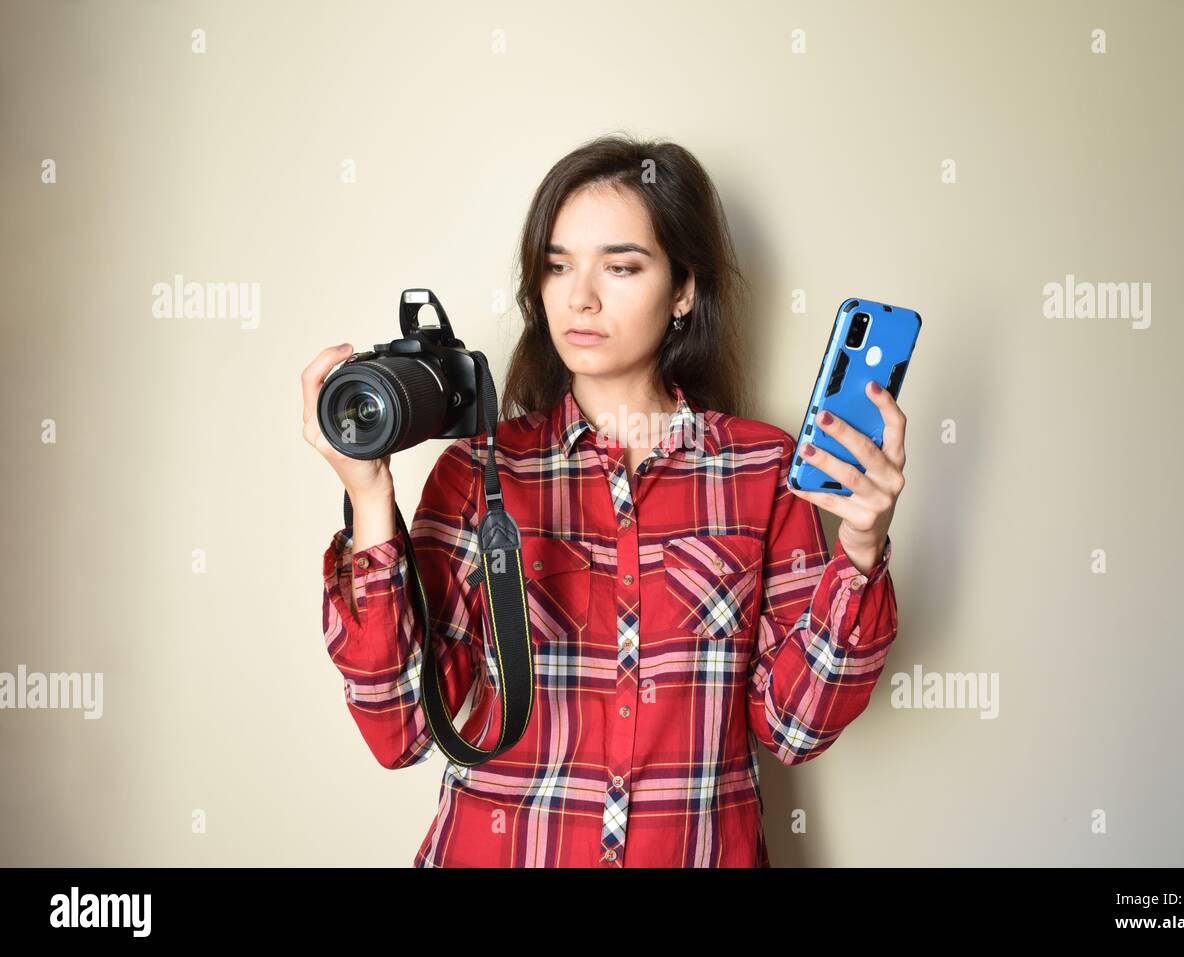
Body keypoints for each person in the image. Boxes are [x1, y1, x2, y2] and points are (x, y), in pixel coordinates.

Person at [300, 134, 906, 867]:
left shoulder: (761, 468)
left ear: (684, 289)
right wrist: (368, 497)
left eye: (621, 266)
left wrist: (862, 547)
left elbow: (795, 728)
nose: (579, 297)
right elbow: (398, 731)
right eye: (557, 266)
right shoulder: (478, 472)